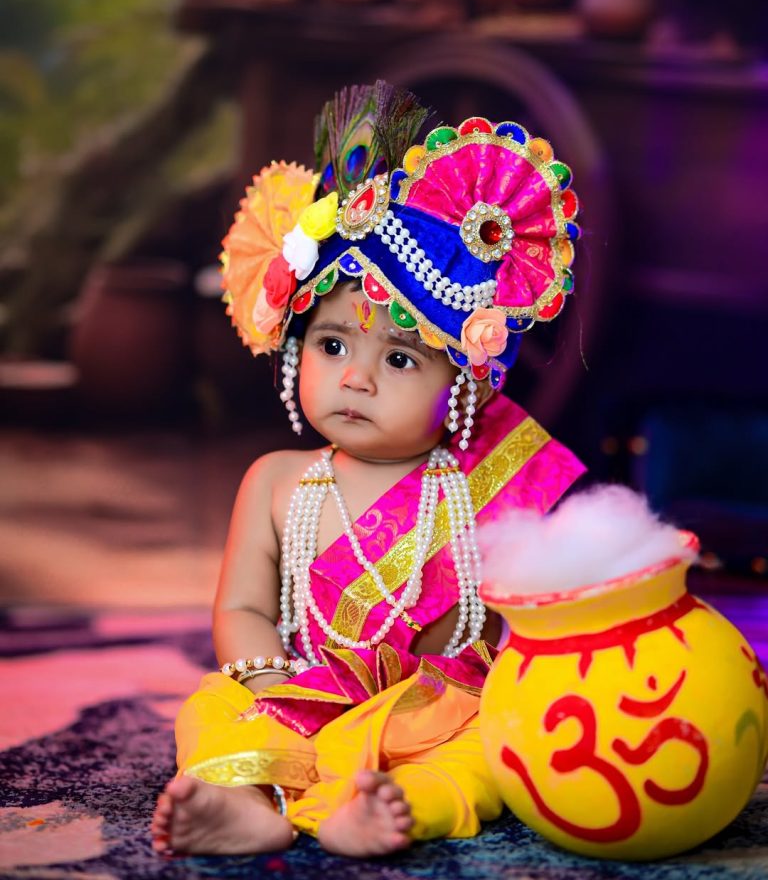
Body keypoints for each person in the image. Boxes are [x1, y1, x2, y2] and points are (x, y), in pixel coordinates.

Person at [151, 81, 586, 858]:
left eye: (399, 358)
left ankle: (394, 807)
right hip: (301, 693)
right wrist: (274, 690)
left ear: (464, 385)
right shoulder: (277, 482)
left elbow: (538, 618)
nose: (355, 378)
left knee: (492, 745)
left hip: (436, 709)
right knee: (210, 707)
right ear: (296, 350)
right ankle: (249, 802)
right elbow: (242, 609)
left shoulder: (485, 480)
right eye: (332, 345)